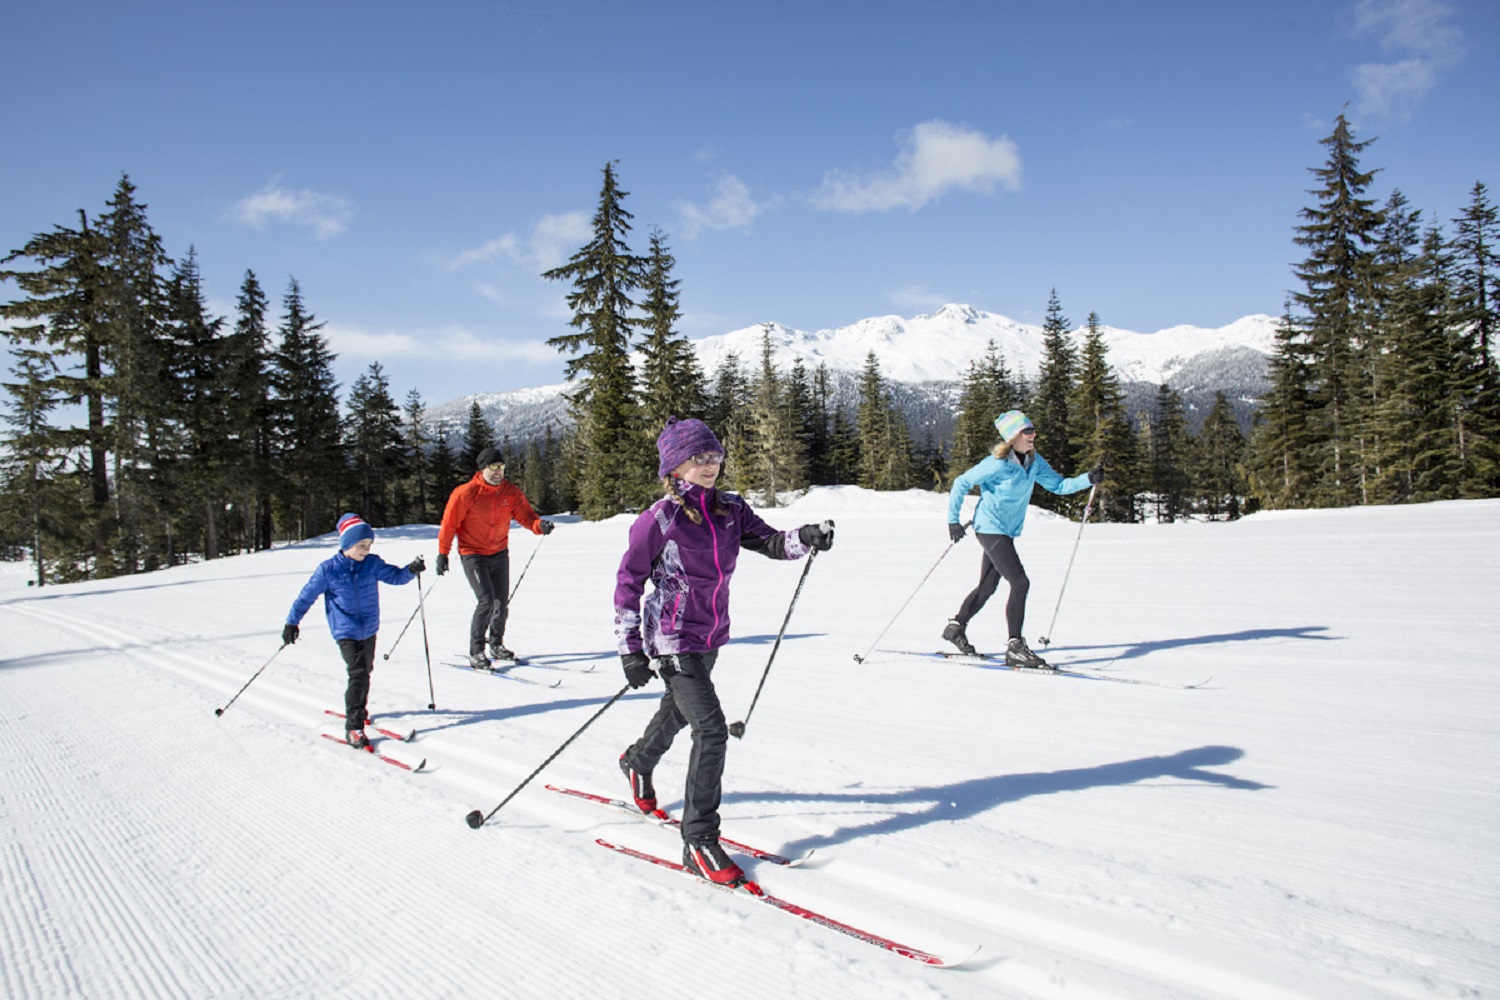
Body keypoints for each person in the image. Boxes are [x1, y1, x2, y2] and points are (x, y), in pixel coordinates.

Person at [614, 416, 835, 886]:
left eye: (715, 456)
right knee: (711, 730)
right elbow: (628, 583)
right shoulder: (658, 520)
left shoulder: (729, 510)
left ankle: (638, 761)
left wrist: (806, 536)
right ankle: (698, 839)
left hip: (710, 634)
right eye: (699, 458)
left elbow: (771, 542)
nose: (710, 466)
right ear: (675, 466)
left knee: (677, 712)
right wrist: (631, 650)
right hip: (673, 640)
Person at [943, 410, 1101, 669]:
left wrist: (1088, 479)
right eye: (1027, 431)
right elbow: (961, 482)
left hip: (1005, 531)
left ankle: (956, 628)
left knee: (987, 587)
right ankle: (1015, 646)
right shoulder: (997, 463)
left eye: (1033, 430)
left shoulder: (1033, 462)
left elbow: (1059, 486)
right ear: (1013, 436)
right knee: (1020, 582)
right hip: (990, 528)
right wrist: (953, 520)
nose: (1033, 435)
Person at [282, 513, 425, 749]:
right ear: (346, 544)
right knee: (358, 673)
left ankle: (359, 707)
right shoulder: (328, 570)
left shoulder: (372, 563)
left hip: (369, 627)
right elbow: (305, 597)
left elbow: (396, 577)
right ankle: (354, 727)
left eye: (369, 545)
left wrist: (411, 569)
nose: (366, 550)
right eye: (361, 545)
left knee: (365, 670)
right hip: (345, 629)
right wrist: (292, 623)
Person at [436, 446, 554, 668]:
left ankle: (496, 644)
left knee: (501, 603)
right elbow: (449, 524)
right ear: (482, 469)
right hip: (473, 554)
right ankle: (476, 651)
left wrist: (540, 525)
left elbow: (526, 516)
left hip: (499, 553)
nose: (498, 472)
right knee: (486, 601)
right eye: (493, 467)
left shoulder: (510, 492)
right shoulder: (465, 493)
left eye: (501, 467)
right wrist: (443, 553)